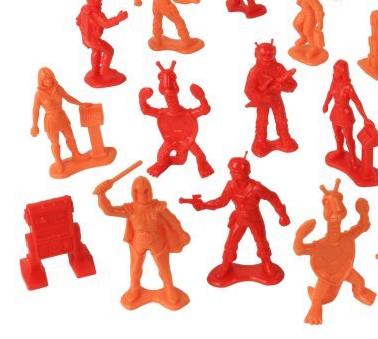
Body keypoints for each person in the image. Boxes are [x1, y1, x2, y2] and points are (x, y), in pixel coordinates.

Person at [186, 155, 290, 278]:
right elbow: (221, 201)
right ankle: (226, 265)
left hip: (255, 218)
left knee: (262, 242)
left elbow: (272, 197)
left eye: (235, 171)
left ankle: (267, 262)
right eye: (231, 171)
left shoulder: (256, 187)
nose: (231, 173)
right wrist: (204, 205)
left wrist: (282, 214)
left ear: (246, 172)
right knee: (230, 243)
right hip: (239, 219)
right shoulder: (230, 186)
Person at [93, 175, 190, 306]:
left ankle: (169, 289)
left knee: (164, 269)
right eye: (139, 191)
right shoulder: (130, 208)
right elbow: (109, 211)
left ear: (151, 191)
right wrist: (101, 195)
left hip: (158, 241)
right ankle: (135, 289)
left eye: (146, 191)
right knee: (135, 269)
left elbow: (173, 220)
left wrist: (181, 232)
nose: (144, 195)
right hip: (138, 242)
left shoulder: (158, 207)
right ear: (134, 193)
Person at [31, 67, 87, 173]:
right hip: (50, 120)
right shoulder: (39, 94)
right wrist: (34, 125)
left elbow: (68, 97)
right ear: (41, 80)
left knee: (71, 138)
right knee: (55, 143)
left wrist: (81, 103)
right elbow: (35, 110)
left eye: (50, 78)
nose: (48, 81)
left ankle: (76, 155)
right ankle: (58, 162)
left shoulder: (58, 88)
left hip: (62, 116)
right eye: (45, 79)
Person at [323, 60, 373, 168]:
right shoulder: (334, 82)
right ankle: (339, 150)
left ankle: (353, 157)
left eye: (337, 71)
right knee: (337, 133)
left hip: (345, 115)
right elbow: (330, 93)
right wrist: (326, 104)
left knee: (348, 138)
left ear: (342, 72)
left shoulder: (348, 87)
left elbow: (357, 102)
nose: (334, 73)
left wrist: (365, 117)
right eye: (334, 70)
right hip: (335, 112)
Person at [76, 0, 127, 86]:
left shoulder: (84, 9)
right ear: (95, 2)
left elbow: (78, 21)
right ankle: (105, 70)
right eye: (100, 1)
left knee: (97, 51)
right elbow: (106, 24)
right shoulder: (95, 13)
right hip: (93, 39)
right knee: (109, 50)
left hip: (86, 38)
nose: (101, 3)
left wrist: (85, 30)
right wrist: (119, 18)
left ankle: (95, 71)